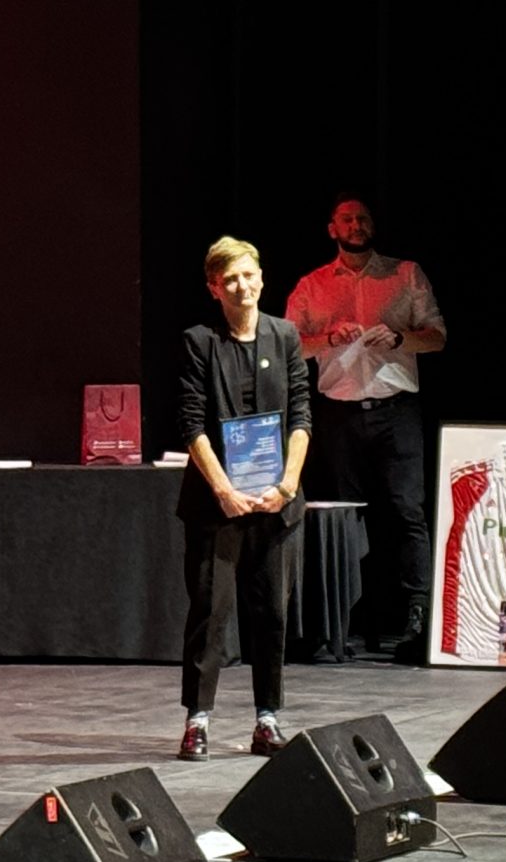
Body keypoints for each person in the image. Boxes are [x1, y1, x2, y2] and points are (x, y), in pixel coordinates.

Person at [284, 197, 445, 660]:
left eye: (363, 219)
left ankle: (418, 616)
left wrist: (398, 338)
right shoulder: (312, 285)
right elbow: (289, 345)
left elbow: (437, 336)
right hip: (339, 415)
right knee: (342, 518)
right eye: (347, 219)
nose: (356, 225)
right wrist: (327, 338)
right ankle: (341, 622)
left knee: (407, 511)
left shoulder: (405, 274)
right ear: (332, 228)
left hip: (396, 411)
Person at [176, 235, 311, 760]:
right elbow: (192, 425)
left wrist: (287, 486)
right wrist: (224, 490)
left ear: (261, 277)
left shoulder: (285, 335)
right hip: (218, 506)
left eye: (248, 274)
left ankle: (267, 719)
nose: (242, 285)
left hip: (277, 504)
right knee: (211, 614)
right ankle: (198, 721)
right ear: (214, 288)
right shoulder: (199, 342)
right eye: (229, 278)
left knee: (272, 613)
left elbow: (301, 416)